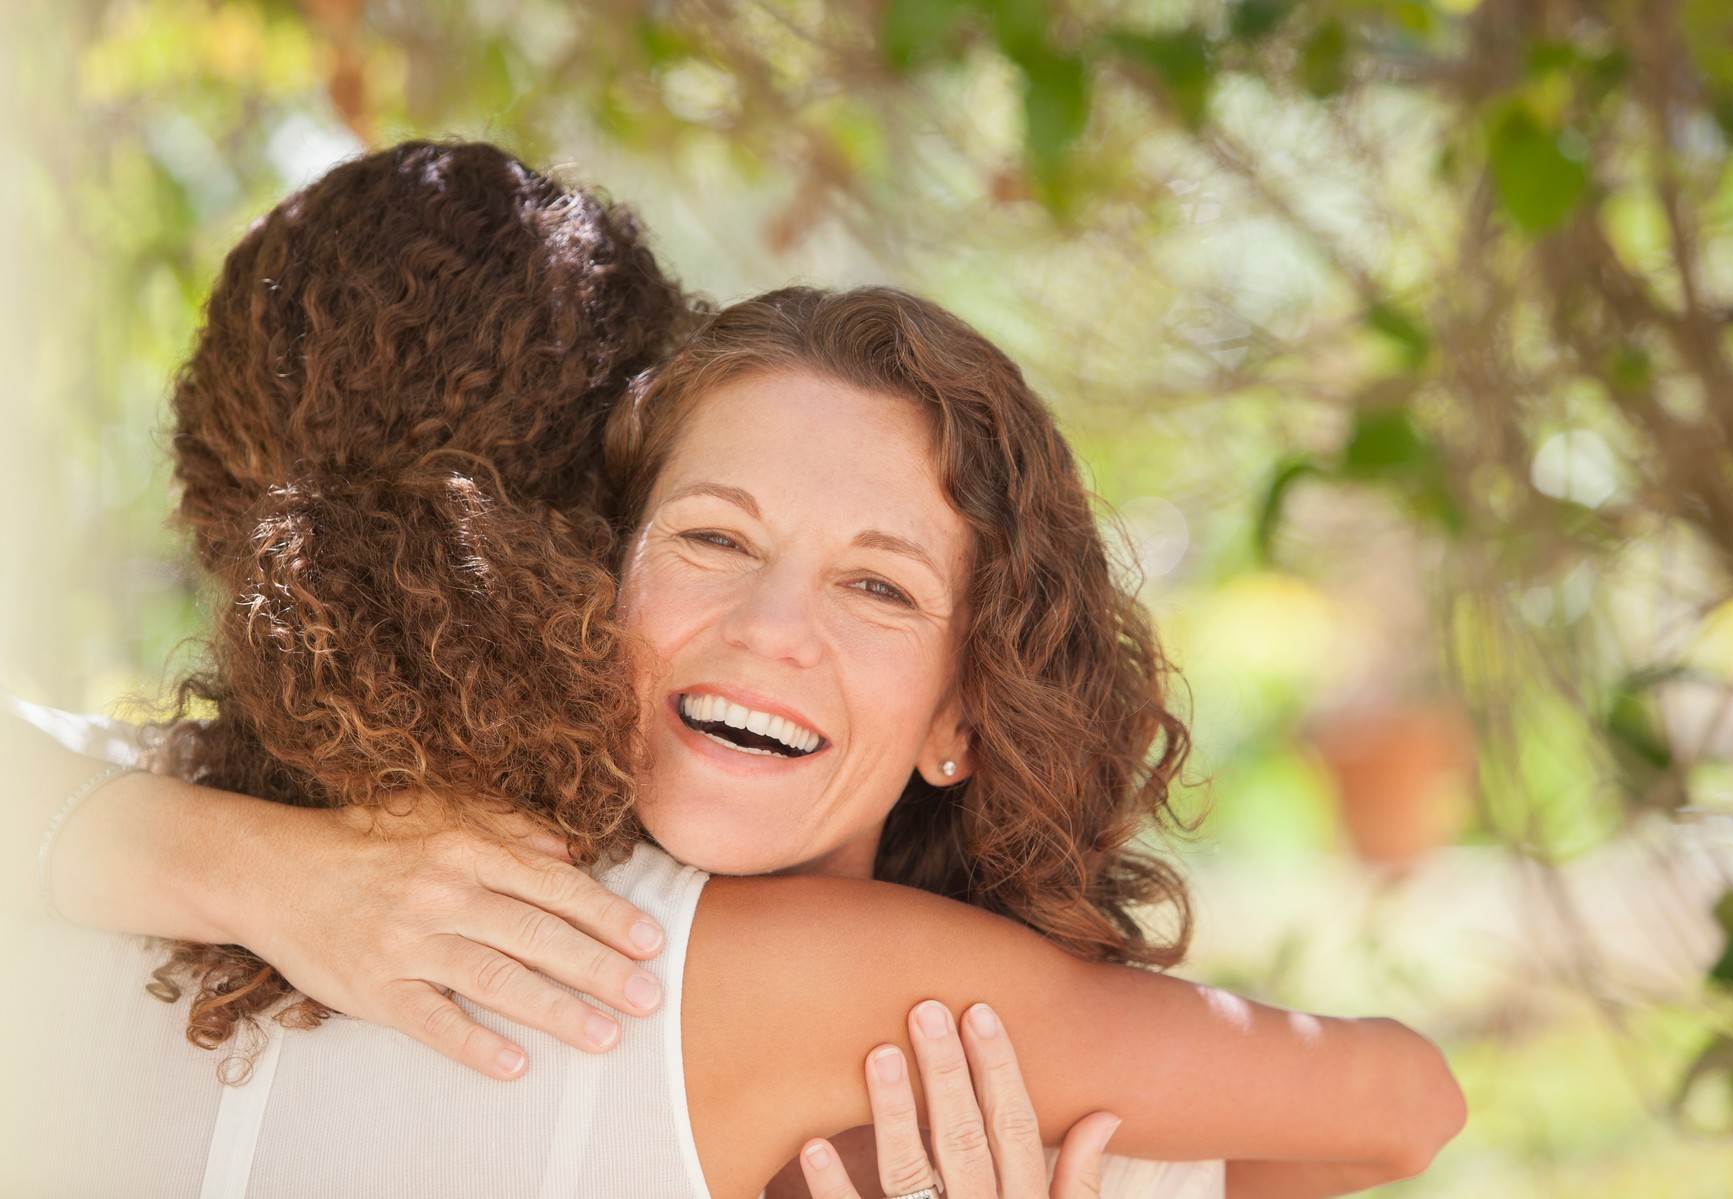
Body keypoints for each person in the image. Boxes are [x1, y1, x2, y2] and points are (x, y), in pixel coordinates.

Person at [5, 142, 1465, 1198]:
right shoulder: (750, 982)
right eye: (713, 537)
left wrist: (237, 865)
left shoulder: (89, 833)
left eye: (879, 583)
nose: (776, 628)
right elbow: (1399, 1105)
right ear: (595, 548)